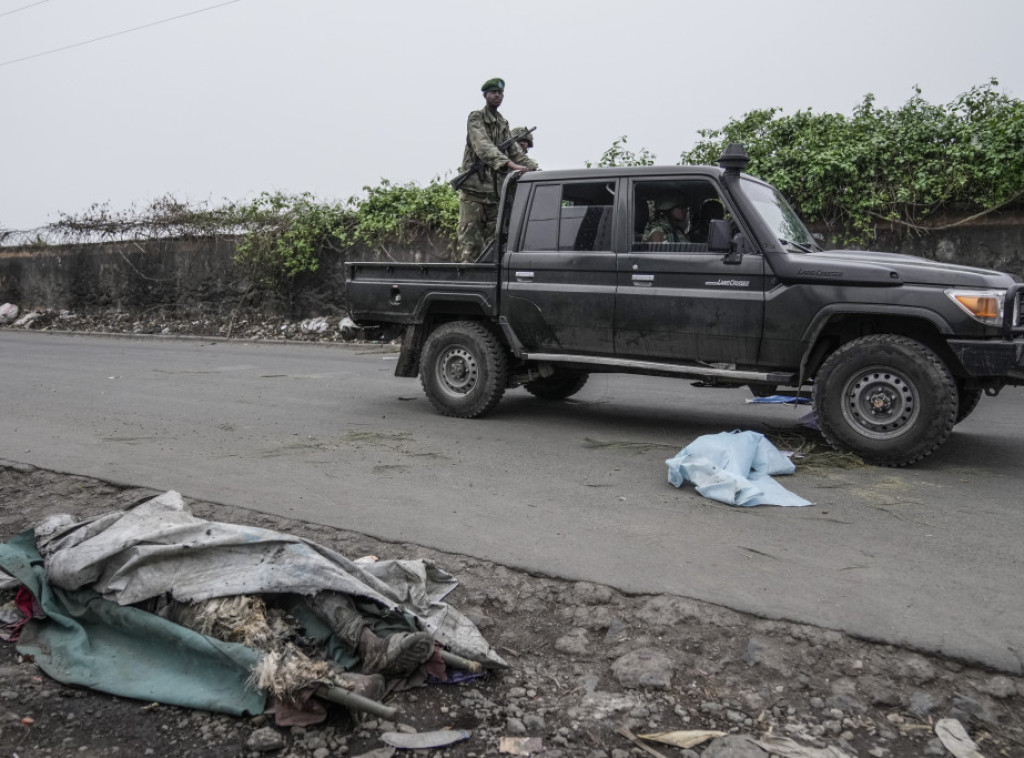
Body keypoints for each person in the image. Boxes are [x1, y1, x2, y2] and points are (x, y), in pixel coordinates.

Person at [456, 78, 539, 262]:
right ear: (485, 95)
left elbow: (516, 153)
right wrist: (510, 165)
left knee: (494, 246)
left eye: (500, 93)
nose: (497, 95)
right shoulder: (476, 118)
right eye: (493, 92)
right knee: (471, 247)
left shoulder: (503, 123)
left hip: (495, 195)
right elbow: (483, 147)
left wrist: (536, 170)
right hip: (474, 192)